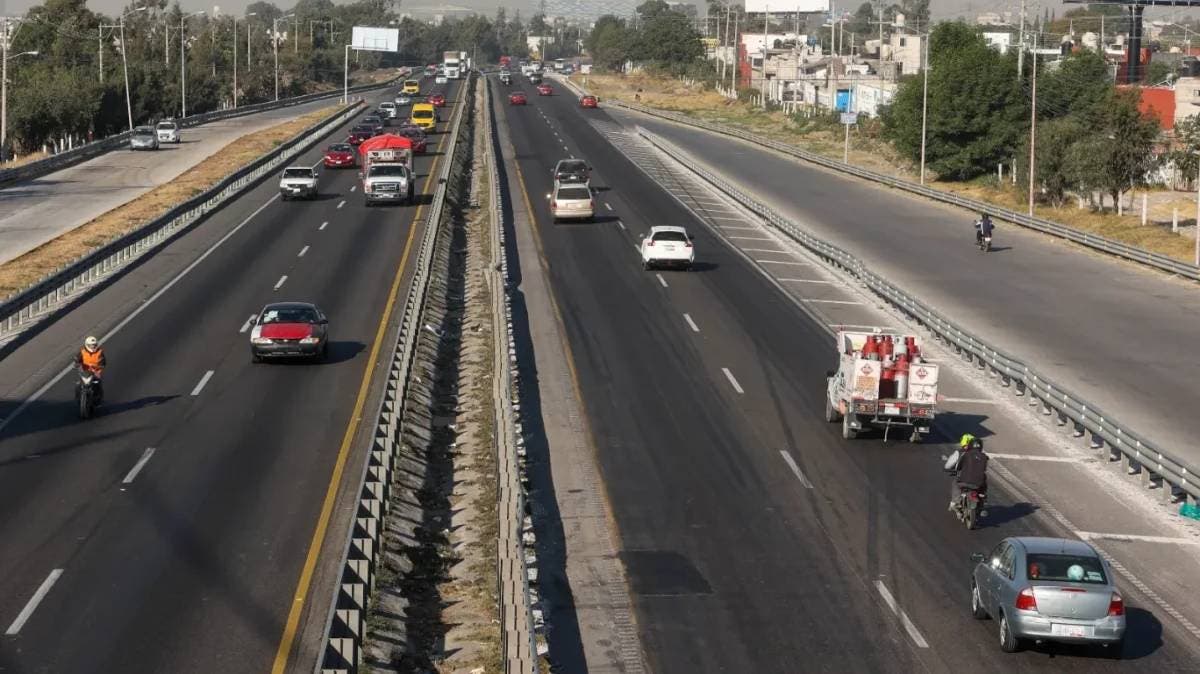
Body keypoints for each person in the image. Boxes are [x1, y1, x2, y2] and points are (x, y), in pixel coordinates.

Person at [946, 436, 989, 511]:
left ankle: (956, 501)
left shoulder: (965, 454)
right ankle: (983, 500)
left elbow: (959, 466)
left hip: (964, 482)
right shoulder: (985, 457)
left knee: (955, 483)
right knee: (984, 481)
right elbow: (984, 469)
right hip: (978, 484)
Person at [73, 335, 106, 403]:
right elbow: (77, 359)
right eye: (91, 345)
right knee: (78, 385)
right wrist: (77, 363)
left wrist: (100, 366)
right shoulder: (83, 352)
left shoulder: (100, 352)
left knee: (97, 384)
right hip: (85, 372)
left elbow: (103, 362)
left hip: (95, 372)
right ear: (87, 345)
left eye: (94, 345)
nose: (93, 347)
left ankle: (98, 398)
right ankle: (78, 399)